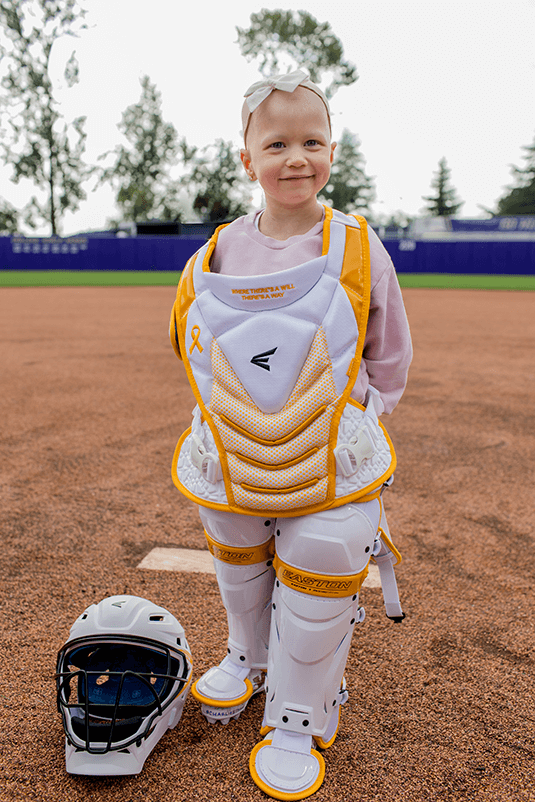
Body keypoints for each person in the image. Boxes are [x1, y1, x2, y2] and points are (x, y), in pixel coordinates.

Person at [169, 69, 412, 800]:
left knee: (325, 546)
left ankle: (300, 711)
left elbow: (389, 351)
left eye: (311, 141)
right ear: (247, 160)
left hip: (326, 447)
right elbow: (194, 350)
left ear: (331, 152)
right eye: (276, 143)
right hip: (242, 449)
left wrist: (362, 418)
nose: (295, 157)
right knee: (235, 540)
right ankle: (248, 655)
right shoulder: (211, 254)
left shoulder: (358, 247)